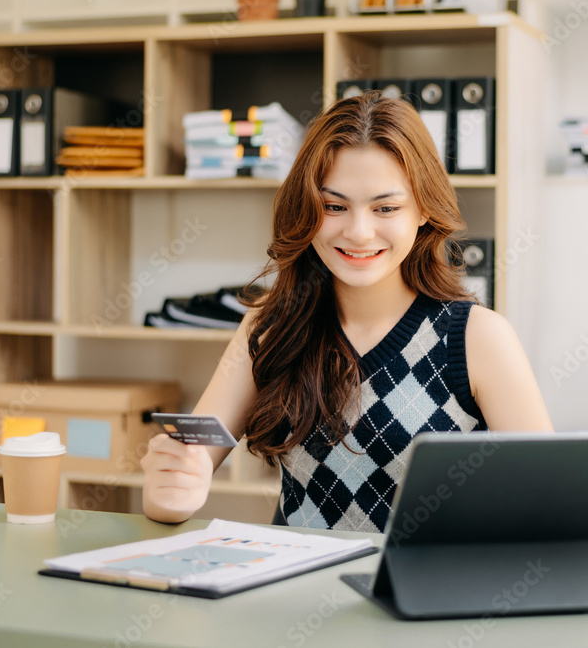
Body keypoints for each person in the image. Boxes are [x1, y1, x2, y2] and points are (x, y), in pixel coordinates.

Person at [142, 92, 553, 532]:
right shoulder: (268, 327)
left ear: (422, 212)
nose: (359, 232)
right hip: (295, 592)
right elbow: (189, 466)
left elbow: (551, 503)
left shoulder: (477, 338)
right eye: (334, 206)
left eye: (386, 208)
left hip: (420, 595)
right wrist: (170, 487)